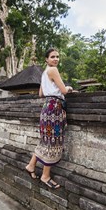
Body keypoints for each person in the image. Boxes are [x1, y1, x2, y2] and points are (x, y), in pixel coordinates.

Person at [25, 48, 73, 189]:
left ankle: (30, 166)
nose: (56, 59)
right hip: (55, 108)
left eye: (57, 56)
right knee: (52, 141)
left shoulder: (44, 73)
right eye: (52, 57)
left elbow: (41, 94)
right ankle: (45, 176)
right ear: (46, 59)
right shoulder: (53, 70)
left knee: (45, 140)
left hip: (46, 108)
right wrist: (69, 88)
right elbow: (63, 91)